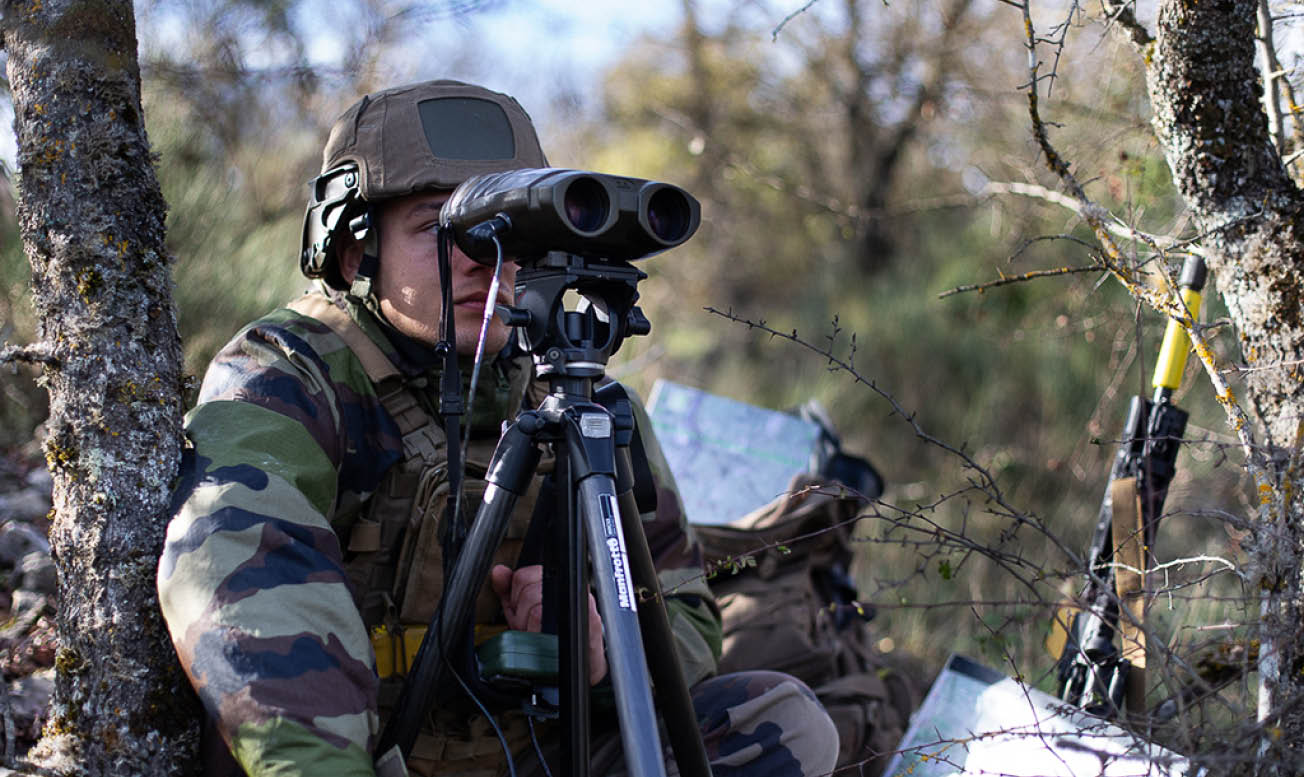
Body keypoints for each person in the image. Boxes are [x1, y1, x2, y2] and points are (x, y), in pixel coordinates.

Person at [157, 79, 839, 777]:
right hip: (360, 756)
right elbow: (242, 572)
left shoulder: (582, 398)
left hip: (533, 752)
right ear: (358, 250)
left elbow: (690, 618)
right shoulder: (291, 372)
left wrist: (604, 650)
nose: (484, 259)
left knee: (781, 720)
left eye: (509, 230)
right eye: (438, 227)